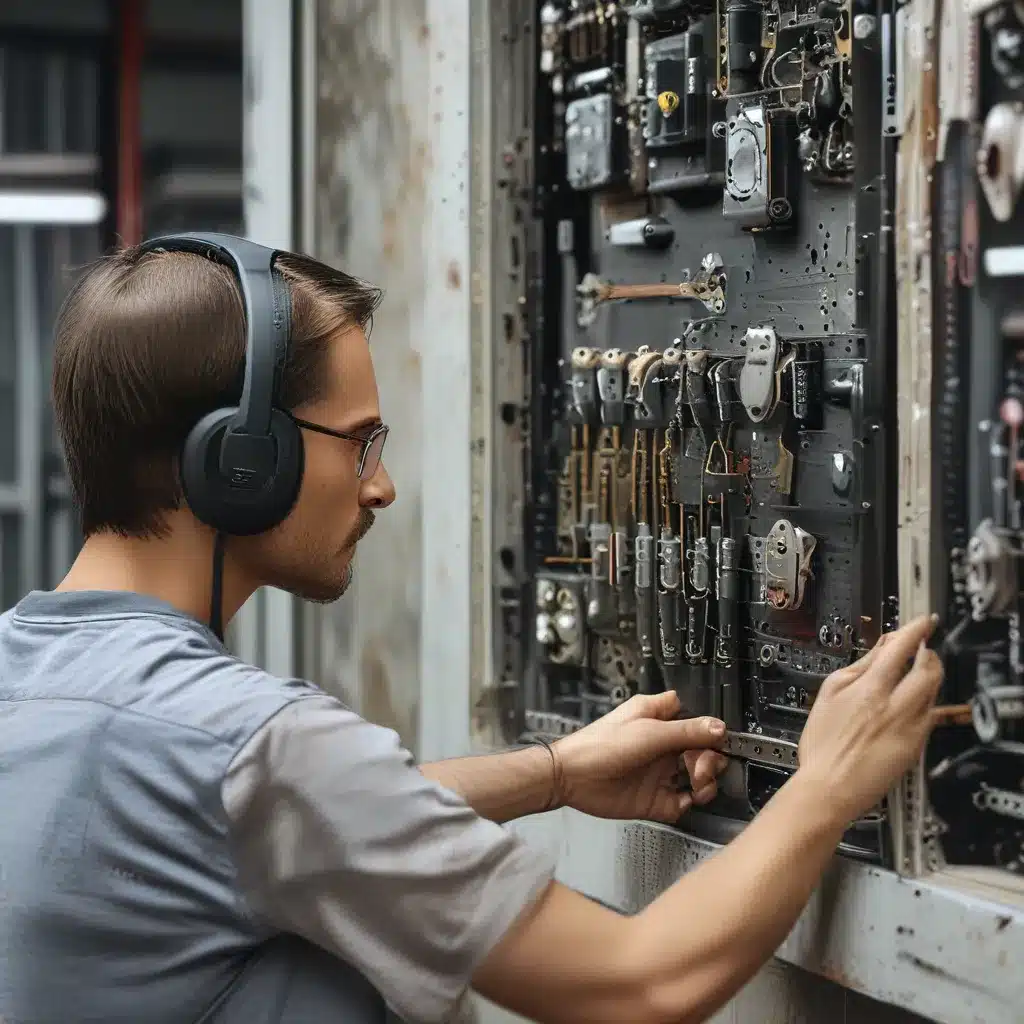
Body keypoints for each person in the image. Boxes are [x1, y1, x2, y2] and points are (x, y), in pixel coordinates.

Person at [0, 238, 943, 1024]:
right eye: (361, 441)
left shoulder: (31, 680)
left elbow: (264, 822)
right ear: (243, 460)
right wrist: (825, 785)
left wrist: (556, 775)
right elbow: (642, 979)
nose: (381, 485)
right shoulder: (252, 747)